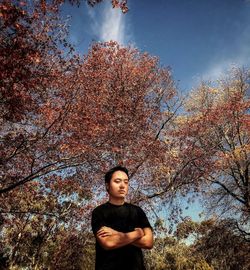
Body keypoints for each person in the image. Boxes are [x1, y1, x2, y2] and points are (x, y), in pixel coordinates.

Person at [91, 165, 154, 270]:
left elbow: (149, 242)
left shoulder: (137, 211)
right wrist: (138, 233)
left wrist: (117, 234)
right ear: (107, 186)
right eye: (117, 181)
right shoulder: (99, 212)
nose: (122, 186)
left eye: (126, 182)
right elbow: (108, 243)